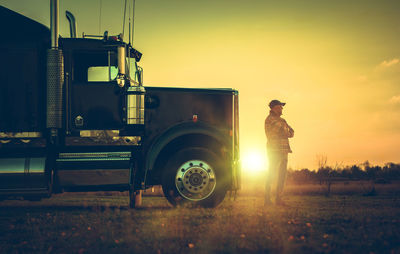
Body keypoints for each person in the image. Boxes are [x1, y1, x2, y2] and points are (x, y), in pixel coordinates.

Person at [264, 99, 294, 205]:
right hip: (274, 150)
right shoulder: (270, 120)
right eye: (280, 107)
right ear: (274, 108)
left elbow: (292, 132)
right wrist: (286, 130)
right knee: (272, 173)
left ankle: (278, 199)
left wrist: (286, 130)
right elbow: (284, 130)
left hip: (283, 151)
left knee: (282, 175)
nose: (282, 109)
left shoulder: (281, 120)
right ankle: (267, 199)